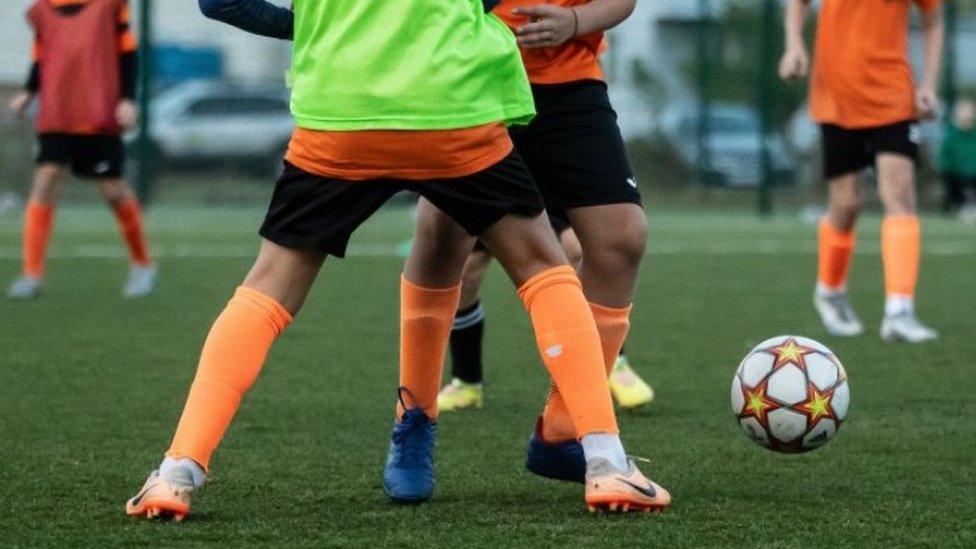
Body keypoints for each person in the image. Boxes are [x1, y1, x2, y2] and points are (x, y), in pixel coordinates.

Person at [124, 0, 671, 521]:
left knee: (268, 285)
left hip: (339, 110)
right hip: (449, 106)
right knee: (542, 268)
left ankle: (178, 470)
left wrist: (325, 27)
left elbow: (221, 4)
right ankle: (604, 461)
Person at [440, 0, 655, 450]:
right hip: (473, 84)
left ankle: (566, 424)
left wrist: (575, 21)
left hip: (570, 86)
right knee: (444, 246)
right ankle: (421, 414)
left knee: (620, 239)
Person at [779, 0, 944, 343]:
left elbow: (933, 21)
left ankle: (899, 311)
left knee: (899, 195)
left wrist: (928, 84)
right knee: (847, 204)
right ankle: (830, 291)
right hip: (835, 95)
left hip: (893, 95)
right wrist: (794, 44)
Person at [7, 0, 156, 300]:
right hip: (56, 112)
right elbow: (41, 54)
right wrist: (28, 90)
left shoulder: (109, 6)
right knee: (46, 179)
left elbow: (127, 51)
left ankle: (142, 264)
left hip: (97, 111)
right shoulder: (42, 10)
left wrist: (127, 98)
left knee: (113, 190)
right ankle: (31, 274)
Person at [940, 98, 976, 214]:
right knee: (952, 182)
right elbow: (945, 156)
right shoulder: (950, 133)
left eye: (970, 110)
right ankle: (959, 206)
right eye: (963, 110)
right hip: (955, 173)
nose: (967, 113)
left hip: (973, 172)